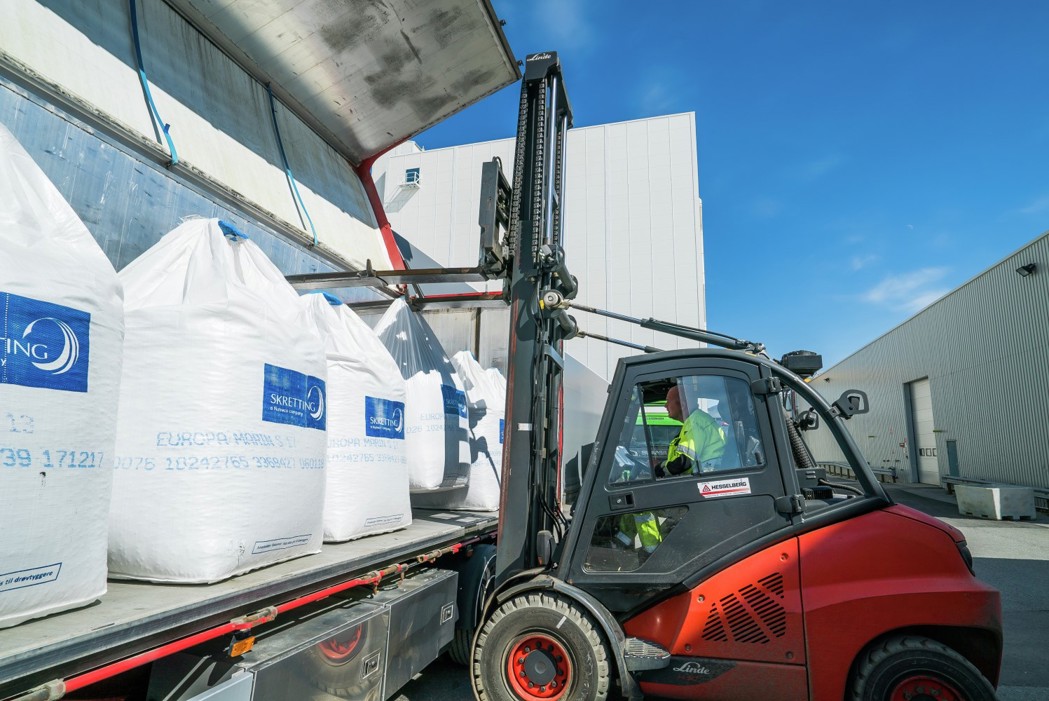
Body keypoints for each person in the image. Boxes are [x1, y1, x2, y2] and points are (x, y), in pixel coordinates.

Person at [657, 384, 727, 477]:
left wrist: (659, 472)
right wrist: (660, 466)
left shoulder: (696, 422)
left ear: (682, 404)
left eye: (668, 401)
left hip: (706, 478)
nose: (665, 406)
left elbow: (685, 461)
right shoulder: (694, 421)